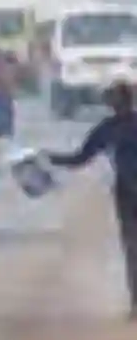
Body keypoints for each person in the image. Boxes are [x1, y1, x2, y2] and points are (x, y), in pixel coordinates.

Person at [45, 79, 137, 318]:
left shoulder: (108, 128)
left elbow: (79, 159)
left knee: (132, 248)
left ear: (111, 104)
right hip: (126, 192)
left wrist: (49, 158)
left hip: (127, 192)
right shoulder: (109, 128)